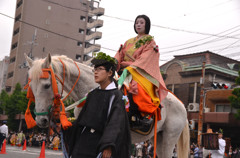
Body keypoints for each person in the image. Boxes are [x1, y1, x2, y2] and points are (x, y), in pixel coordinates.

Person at [66, 52, 131, 158]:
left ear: (110, 73)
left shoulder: (116, 96)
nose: (95, 72)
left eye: (100, 69)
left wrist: (108, 145)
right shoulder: (92, 94)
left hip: (100, 144)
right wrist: (65, 126)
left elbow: (115, 124)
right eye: (94, 70)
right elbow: (81, 121)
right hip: (83, 143)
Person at [114, 14, 168, 129]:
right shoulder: (128, 42)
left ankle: (139, 117)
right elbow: (120, 54)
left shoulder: (150, 42)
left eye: (141, 22)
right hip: (123, 70)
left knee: (136, 89)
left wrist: (130, 67)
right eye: (137, 22)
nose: (138, 24)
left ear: (147, 25)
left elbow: (146, 59)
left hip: (139, 72)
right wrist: (113, 62)